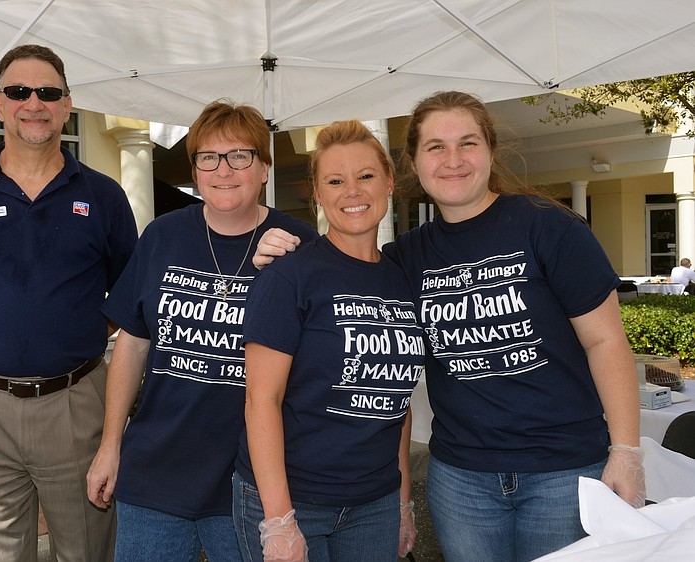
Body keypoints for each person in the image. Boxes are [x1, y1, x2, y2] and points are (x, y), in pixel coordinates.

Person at [253, 91, 646, 562]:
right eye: (436, 147)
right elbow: (343, 264)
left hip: (561, 471)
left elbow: (606, 340)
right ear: (415, 165)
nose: (453, 160)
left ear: (490, 151)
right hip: (462, 478)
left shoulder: (549, 227)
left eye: (468, 143)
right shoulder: (404, 258)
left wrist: (626, 451)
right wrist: (281, 248)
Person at [0, 44, 137, 562]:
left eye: (48, 92)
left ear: (66, 105)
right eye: (18, 91)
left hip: (76, 404)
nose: (33, 103)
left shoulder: (103, 197)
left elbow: (127, 296)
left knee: (86, 550)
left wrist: (78, 334)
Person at [86, 99, 316, 562]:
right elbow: (132, 344)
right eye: (208, 157)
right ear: (195, 168)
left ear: (265, 167)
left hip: (251, 482)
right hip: (156, 474)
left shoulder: (300, 246)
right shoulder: (162, 236)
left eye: (240, 155)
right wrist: (110, 446)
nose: (223, 169)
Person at [232, 120, 424, 562]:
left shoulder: (403, 278)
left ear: (390, 182)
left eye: (366, 176)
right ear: (317, 193)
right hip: (294, 499)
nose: (351, 191)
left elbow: (394, 396)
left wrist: (402, 501)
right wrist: (278, 520)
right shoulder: (290, 275)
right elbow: (261, 399)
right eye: (335, 181)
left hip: (375, 503)